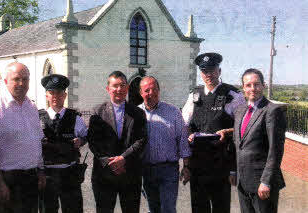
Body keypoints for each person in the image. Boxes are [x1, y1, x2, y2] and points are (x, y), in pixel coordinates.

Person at [0, 62, 46, 213]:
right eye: (16, 79)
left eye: (25, 79)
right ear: (5, 81)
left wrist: (40, 171)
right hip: (6, 180)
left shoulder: (32, 107)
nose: (22, 83)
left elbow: (36, 142)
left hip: (30, 179)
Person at [182, 52, 245, 213]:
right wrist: (188, 133)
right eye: (204, 71)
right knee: (199, 207)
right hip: (198, 164)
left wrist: (228, 131)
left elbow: (245, 126)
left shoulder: (233, 95)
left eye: (212, 70)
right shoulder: (194, 95)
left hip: (221, 164)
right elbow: (184, 124)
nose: (208, 74)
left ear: (219, 71)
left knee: (221, 207)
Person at [87, 71, 148, 213]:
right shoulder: (97, 111)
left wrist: (123, 158)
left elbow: (142, 139)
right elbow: (93, 141)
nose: (119, 89)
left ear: (127, 88)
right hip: (104, 175)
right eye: (115, 86)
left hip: (130, 173)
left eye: (122, 85)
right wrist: (111, 163)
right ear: (108, 89)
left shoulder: (138, 113)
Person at [233, 69, 286, 213]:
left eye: (256, 84)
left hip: (262, 185)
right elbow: (238, 145)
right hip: (243, 182)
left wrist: (266, 181)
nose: (252, 89)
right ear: (243, 87)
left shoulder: (272, 111)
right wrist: (234, 172)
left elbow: (275, 150)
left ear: (263, 85)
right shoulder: (239, 111)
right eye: (248, 85)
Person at [138, 76, 191, 213]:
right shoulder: (136, 113)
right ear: (141, 93)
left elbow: (182, 140)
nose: (151, 93)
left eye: (154, 89)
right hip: (146, 170)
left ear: (159, 91)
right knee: (153, 208)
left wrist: (186, 166)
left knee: (168, 209)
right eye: (147, 90)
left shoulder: (173, 112)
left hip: (168, 170)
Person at [38, 74, 87, 213]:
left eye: (59, 93)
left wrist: (81, 141)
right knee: (48, 210)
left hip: (69, 173)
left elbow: (84, 136)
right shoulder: (38, 118)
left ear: (64, 95)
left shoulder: (74, 117)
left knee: (73, 209)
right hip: (47, 173)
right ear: (47, 95)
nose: (55, 96)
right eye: (51, 92)